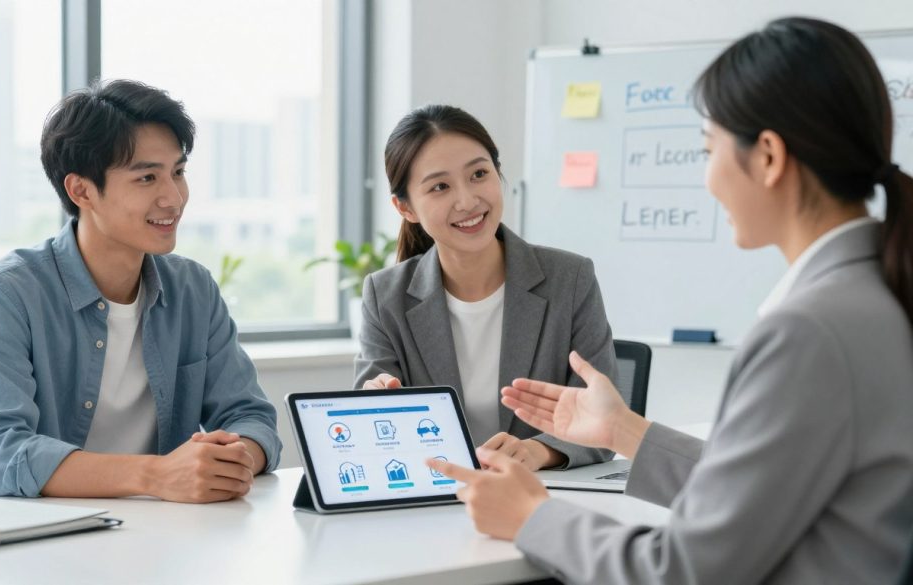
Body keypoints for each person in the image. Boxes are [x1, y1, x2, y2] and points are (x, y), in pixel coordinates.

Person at [428, 17, 913, 584]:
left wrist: (533, 517)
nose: (707, 179)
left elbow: (685, 571)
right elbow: (760, 493)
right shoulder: (877, 292)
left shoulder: (808, 331)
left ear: (769, 158)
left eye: (708, 150)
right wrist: (624, 430)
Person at [0, 79, 282, 503]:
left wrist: (232, 460)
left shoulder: (193, 289)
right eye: (147, 177)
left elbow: (250, 417)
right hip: (24, 538)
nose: (174, 198)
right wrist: (157, 475)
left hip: (154, 534)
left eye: (178, 173)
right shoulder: (3, 295)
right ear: (81, 190)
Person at [355, 105, 621, 471]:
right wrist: (373, 403)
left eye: (479, 174)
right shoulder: (384, 296)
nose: (467, 201)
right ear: (405, 208)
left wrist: (537, 452)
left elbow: (604, 419)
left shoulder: (570, 279)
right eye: (440, 187)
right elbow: (371, 431)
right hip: (433, 504)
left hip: (542, 499)